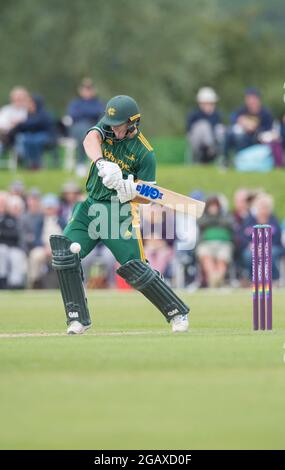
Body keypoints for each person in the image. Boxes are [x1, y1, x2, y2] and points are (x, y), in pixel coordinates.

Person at [50, 95, 189, 334]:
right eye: (111, 123)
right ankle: (77, 319)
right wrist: (102, 162)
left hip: (118, 212)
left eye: (119, 124)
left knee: (135, 267)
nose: (113, 128)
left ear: (133, 122)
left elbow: (149, 194)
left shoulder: (145, 152)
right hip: (90, 207)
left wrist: (130, 189)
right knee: (64, 255)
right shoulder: (105, 130)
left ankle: (176, 313)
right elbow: (89, 139)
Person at [240, 193, 285, 283]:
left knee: (269, 254)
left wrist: (265, 246)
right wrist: (251, 245)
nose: (263, 210)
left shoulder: (274, 220)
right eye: (261, 207)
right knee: (248, 255)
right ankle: (253, 279)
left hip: (272, 247)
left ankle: (273, 278)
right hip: (252, 247)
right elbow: (243, 236)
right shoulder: (249, 220)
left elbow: (277, 238)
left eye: (265, 207)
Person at [224, 88, 274, 166]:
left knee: (240, 137)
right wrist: (241, 120)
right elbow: (232, 117)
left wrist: (254, 128)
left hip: (256, 139)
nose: (251, 101)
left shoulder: (265, 113)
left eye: (253, 98)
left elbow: (268, 129)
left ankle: (240, 161)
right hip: (241, 136)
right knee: (230, 134)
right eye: (249, 98)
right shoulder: (242, 110)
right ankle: (225, 159)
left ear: (258, 99)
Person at [66, 78, 105, 172]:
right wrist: (90, 113)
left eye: (89, 88)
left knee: (89, 132)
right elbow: (73, 115)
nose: (87, 91)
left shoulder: (98, 103)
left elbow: (101, 114)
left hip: (93, 127)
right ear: (81, 90)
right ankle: (81, 163)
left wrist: (84, 112)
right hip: (76, 128)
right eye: (85, 88)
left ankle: (97, 161)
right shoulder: (75, 103)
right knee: (84, 134)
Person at [8, 95, 56, 169]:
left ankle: (37, 163)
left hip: (47, 136)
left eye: (30, 102)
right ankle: (29, 163)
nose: (28, 104)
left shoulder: (43, 114)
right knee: (26, 139)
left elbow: (33, 123)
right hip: (33, 136)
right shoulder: (29, 113)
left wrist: (19, 123)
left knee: (35, 140)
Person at [196, 195, 234, 287]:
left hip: (223, 244)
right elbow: (201, 223)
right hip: (206, 244)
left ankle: (216, 280)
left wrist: (216, 218)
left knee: (222, 259)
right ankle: (214, 279)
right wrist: (213, 218)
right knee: (206, 256)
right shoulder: (203, 216)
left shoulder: (225, 215)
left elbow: (229, 223)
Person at [186, 87, 224, 163]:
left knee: (220, 128)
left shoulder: (216, 115)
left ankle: (218, 151)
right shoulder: (194, 115)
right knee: (204, 125)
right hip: (197, 143)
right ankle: (211, 149)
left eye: (210, 103)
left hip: (214, 140)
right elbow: (189, 131)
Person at [0, 87, 29, 156]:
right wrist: (12, 124)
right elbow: (1, 123)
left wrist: (18, 124)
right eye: (16, 98)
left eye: (20, 98)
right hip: (7, 136)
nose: (18, 100)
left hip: (24, 135)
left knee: (21, 138)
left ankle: (21, 158)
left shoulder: (28, 110)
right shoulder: (6, 109)